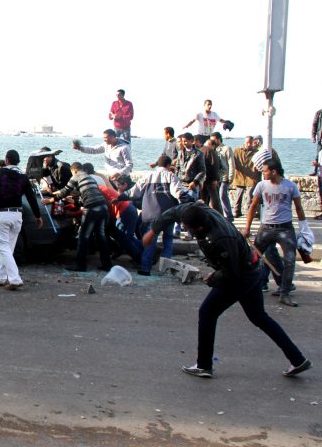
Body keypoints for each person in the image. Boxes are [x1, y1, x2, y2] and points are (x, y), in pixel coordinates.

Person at [142, 202, 312, 379]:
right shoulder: (198, 211)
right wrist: (153, 231)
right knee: (259, 317)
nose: (185, 229)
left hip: (243, 274)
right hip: (250, 268)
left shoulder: (220, 239)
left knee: (207, 312)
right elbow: (173, 212)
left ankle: (204, 365)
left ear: (199, 228)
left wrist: (214, 278)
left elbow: (231, 273)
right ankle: (297, 359)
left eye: (187, 228)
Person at [243, 159, 306, 306]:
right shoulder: (261, 185)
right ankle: (250, 286)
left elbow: (299, 207)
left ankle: (285, 293)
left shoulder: (290, 186)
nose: (263, 173)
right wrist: (247, 228)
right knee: (252, 258)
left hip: (285, 228)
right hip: (266, 228)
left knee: (290, 260)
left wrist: (304, 228)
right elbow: (253, 206)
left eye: (265, 171)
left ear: (274, 171)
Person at [0, 150, 43, 290]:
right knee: (8, 249)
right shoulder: (23, 177)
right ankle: (0, 278)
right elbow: (31, 197)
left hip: (2, 214)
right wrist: (38, 216)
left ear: (7, 160)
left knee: (3, 248)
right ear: (17, 161)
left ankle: (15, 279)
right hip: (17, 215)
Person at [42, 162, 111, 272]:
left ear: (74, 170)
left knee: (83, 236)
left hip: (91, 208)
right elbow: (85, 192)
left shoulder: (76, 176)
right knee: (101, 237)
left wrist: (50, 200)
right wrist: (75, 199)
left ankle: (80, 265)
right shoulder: (90, 177)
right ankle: (107, 265)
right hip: (103, 207)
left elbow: (65, 191)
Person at [129, 155, 187, 275]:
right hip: (169, 214)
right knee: (168, 239)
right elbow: (177, 192)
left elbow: (134, 192)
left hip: (151, 215)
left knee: (151, 241)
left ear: (158, 164)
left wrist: (120, 196)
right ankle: (164, 268)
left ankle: (145, 268)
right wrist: (188, 199)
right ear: (168, 165)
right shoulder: (171, 176)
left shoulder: (148, 176)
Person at [99, 174, 142, 263]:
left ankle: (141, 258)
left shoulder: (96, 190)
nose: (117, 186)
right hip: (128, 209)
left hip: (125, 211)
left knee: (124, 238)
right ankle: (146, 254)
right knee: (128, 237)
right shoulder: (102, 188)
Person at [194, 135, 223, 214]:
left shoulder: (207, 150)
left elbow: (214, 164)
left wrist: (214, 179)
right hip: (205, 180)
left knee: (213, 200)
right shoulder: (200, 151)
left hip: (209, 180)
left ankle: (218, 217)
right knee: (207, 200)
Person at [210, 132, 235, 222]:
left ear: (218, 139)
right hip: (216, 177)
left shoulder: (226, 148)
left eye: (214, 139)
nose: (213, 141)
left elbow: (231, 163)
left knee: (222, 195)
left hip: (224, 176)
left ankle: (229, 216)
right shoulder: (213, 149)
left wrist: (231, 176)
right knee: (216, 197)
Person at [232, 135, 258, 218]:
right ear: (244, 142)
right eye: (247, 143)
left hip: (252, 176)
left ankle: (249, 212)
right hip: (240, 175)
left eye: (250, 143)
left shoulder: (256, 151)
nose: (249, 144)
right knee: (238, 195)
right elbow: (232, 162)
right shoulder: (237, 150)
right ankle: (236, 211)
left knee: (250, 195)